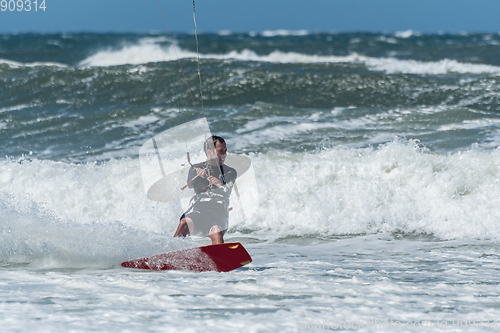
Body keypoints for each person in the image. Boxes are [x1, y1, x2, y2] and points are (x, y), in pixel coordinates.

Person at [174, 135, 237, 244]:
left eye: (225, 151)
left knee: (217, 231)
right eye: (221, 151)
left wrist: (218, 181)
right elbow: (190, 184)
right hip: (199, 215)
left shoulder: (230, 171)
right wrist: (198, 174)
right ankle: (170, 255)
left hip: (219, 216)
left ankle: (220, 257)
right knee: (184, 223)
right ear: (210, 152)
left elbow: (227, 184)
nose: (224, 154)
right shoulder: (196, 168)